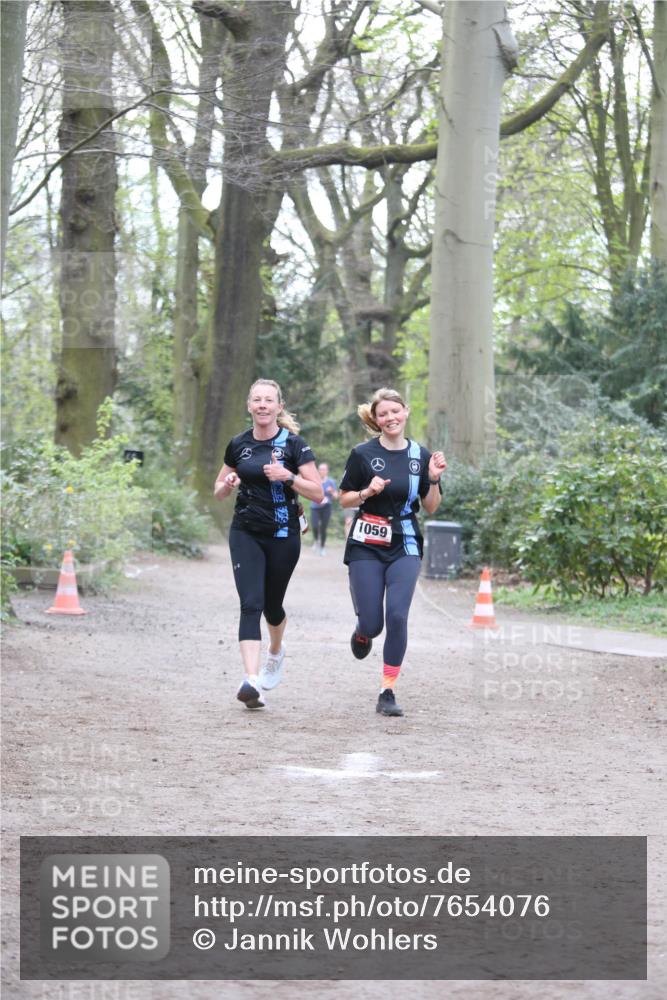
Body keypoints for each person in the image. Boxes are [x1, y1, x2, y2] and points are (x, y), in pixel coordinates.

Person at [214, 379, 324, 709]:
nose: (262, 405)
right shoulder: (238, 444)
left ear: (279, 406)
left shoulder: (294, 445)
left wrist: (288, 477)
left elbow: (318, 493)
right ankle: (252, 681)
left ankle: (275, 652)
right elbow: (218, 489)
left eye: (269, 400)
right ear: (249, 406)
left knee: (272, 607)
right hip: (245, 531)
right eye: (257, 400)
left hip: (283, 535)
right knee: (251, 604)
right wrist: (228, 483)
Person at [339, 387, 446, 717]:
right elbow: (343, 498)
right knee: (373, 624)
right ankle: (363, 631)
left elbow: (431, 507)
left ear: (406, 412)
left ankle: (387, 691)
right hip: (367, 544)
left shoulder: (420, 455)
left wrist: (433, 480)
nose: (390, 418)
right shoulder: (362, 454)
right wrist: (366, 492)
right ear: (376, 419)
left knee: (398, 616)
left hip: (405, 542)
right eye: (383, 414)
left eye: (395, 411)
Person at [310, 462, 338, 555]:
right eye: (320, 469)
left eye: (324, 469)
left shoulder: (331, 482)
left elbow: (336, 496)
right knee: (314, 526)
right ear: (318, 471)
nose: (322, 471)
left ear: (327, 471)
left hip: (326, 507)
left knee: (323, 528)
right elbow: (309, 492)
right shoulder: (314, 481)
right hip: (315, 507)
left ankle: (322, 548)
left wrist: (332, 491)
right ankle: (316, 540)